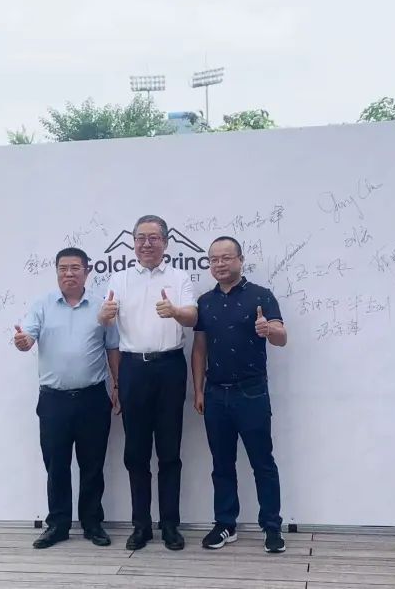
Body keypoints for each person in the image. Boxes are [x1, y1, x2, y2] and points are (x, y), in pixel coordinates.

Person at [98, 215, 196, 551]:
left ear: (166, 242)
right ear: (133, 243)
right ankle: (141, 525)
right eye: (141, 238)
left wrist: (175, 311)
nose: (147, 244)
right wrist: (103, 316)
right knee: (136, 452)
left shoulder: (179, 277)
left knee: (169, 451)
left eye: (154, 238)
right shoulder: (120, 278)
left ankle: (170, 525)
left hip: (169, 367)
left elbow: (193, 316)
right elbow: (105, 318)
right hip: (133, 370)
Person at [15, 247, 118, 549]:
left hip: (92, 399)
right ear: (57, 272)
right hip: (54, 402)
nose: (69, 273)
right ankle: (58, 525)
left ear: (87, 271)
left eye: (75, 268)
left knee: (92, 465)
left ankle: (92, 523)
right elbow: (27, 338)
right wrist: (23, 341)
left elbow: (112, 348)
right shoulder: (42, 305)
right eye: (63, 268)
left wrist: (118, 386)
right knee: (56, 465)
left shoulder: (102, 306)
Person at [191, 236, 288, 553]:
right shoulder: (204, 302)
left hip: (251, 392)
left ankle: (271, 527)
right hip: (215, 393)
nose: (219, 264)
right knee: (221, 464)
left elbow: (282, 337)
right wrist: (198, 390)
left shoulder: (261, 296)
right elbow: (200, 348)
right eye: (214, 259)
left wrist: (269, 330)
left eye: (226, 258)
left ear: (240, 260)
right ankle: (225, 524)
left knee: (263, 462)